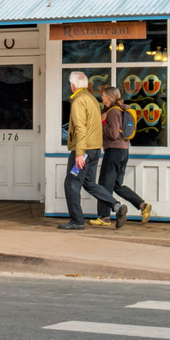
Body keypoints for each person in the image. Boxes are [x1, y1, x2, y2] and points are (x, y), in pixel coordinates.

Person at [60, 71, 115, 230]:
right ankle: (116, 205)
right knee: (89, 183)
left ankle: (77, 221)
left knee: (71, 182)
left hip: (83, 152)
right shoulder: (92, 99)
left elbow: (80, 129)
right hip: (94, 150)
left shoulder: (78, 101)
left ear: (72, 86)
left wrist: (79, 154)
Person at [97, 86, 151, 228]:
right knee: (116, 185)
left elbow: (114, 133)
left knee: (104, 184)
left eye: (103, 95)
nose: (101, 98)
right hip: (123, 151)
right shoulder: (121, 109)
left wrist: (102, 122)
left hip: (114, 151)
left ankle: (105, 217)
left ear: (109, 97)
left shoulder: (113, 112)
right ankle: (142, 205)